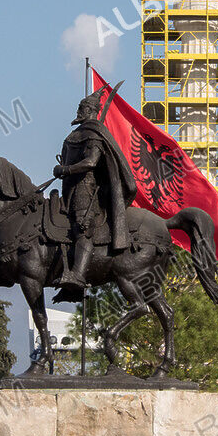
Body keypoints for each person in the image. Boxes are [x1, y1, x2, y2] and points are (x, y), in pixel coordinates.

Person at [52, 88, 137, 302]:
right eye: (79, 107)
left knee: (82, 228)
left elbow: (91, 162)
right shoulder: (74, 134)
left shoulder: (94, 134)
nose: (79, 111)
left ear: (91, 110)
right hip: (69, 188)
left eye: (83, 108)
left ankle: (78, 277)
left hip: (85, 189)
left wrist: (66, 170)